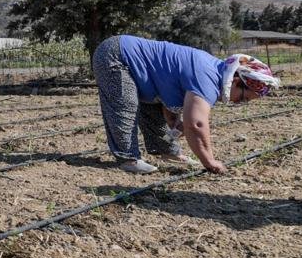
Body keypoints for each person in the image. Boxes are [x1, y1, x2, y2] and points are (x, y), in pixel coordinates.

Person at [93, 35, 280, 175]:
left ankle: (166, 151)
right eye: (242, 98)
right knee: (125, 106)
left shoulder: (213, 70)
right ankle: (128, 159)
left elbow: (167, 92)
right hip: (116, 56)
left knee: (151, 109)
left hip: (135, 65)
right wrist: (209, 161)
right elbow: (196, 124)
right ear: (238, 81)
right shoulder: (208, 79)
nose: (238, 102)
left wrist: (174, 121)